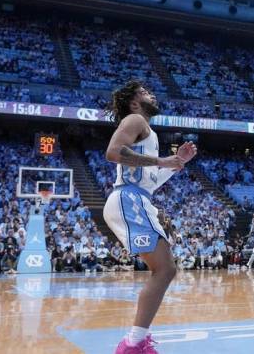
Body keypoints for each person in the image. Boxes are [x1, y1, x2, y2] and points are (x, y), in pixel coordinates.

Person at [102, 80, 198, 354]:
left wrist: (176, 162)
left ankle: (136, 342)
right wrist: (162, 161)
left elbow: (149, 182)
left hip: (136, 197)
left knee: (165, 269)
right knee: (165, 269)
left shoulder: (148, 133)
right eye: (144, 93)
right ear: (133, 103)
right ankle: (133, 344)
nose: (151, 94)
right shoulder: (134, 119)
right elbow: (113, 153)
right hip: (129, 198)